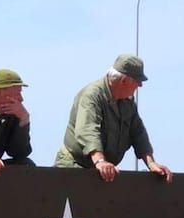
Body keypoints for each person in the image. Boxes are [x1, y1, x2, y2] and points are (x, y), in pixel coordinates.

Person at [54, 54, 172, 183]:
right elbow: (87, 130)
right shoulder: (92, 96)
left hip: (104, 171)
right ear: (124, 81)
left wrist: (151, 163)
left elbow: (138, 132)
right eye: (137, 81)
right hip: (75, 167)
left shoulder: (128, 102)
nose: (140, 85)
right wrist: (100, 161)